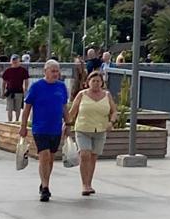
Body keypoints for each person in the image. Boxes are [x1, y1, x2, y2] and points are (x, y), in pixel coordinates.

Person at [23, 60, 69, 204]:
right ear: (45, 71)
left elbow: (64, 107)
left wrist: (68, 123)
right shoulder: (36, 87)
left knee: (50, 158)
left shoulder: (61, 87)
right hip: (40, 127)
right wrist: (23, 126)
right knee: (44, 155)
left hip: (55, 128)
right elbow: (27, 108)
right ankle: (45, 187)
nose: (56, 74)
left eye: (57, 71)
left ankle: (44, 181)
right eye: (53, 71)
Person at [65, 67, 115, 197]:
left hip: (100, 129)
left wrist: (111, 122)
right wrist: (67, 124)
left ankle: (89, 182)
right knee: (85, 155)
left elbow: (114, 111)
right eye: (93, 81)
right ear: (88, 82)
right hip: (83, 128)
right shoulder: (82, 95)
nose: (96, 83)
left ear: (102, 83)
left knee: (93, 157)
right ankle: (84, 185)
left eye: (98, 81)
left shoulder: (107, 95)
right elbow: (72, 112)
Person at [2, 55, 30, 121]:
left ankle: (17, 120)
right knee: (10, 108)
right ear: (11, 61)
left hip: (19, 91)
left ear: (19, 61)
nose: (15, 62)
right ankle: (10, 121)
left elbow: (26, 80)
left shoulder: (23, 70)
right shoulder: (8, 71)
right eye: (13, 61)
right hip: (9, 91)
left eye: (16, 61)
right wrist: (2, 92)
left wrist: (25, 89)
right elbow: (4, 82)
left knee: (18, 108)